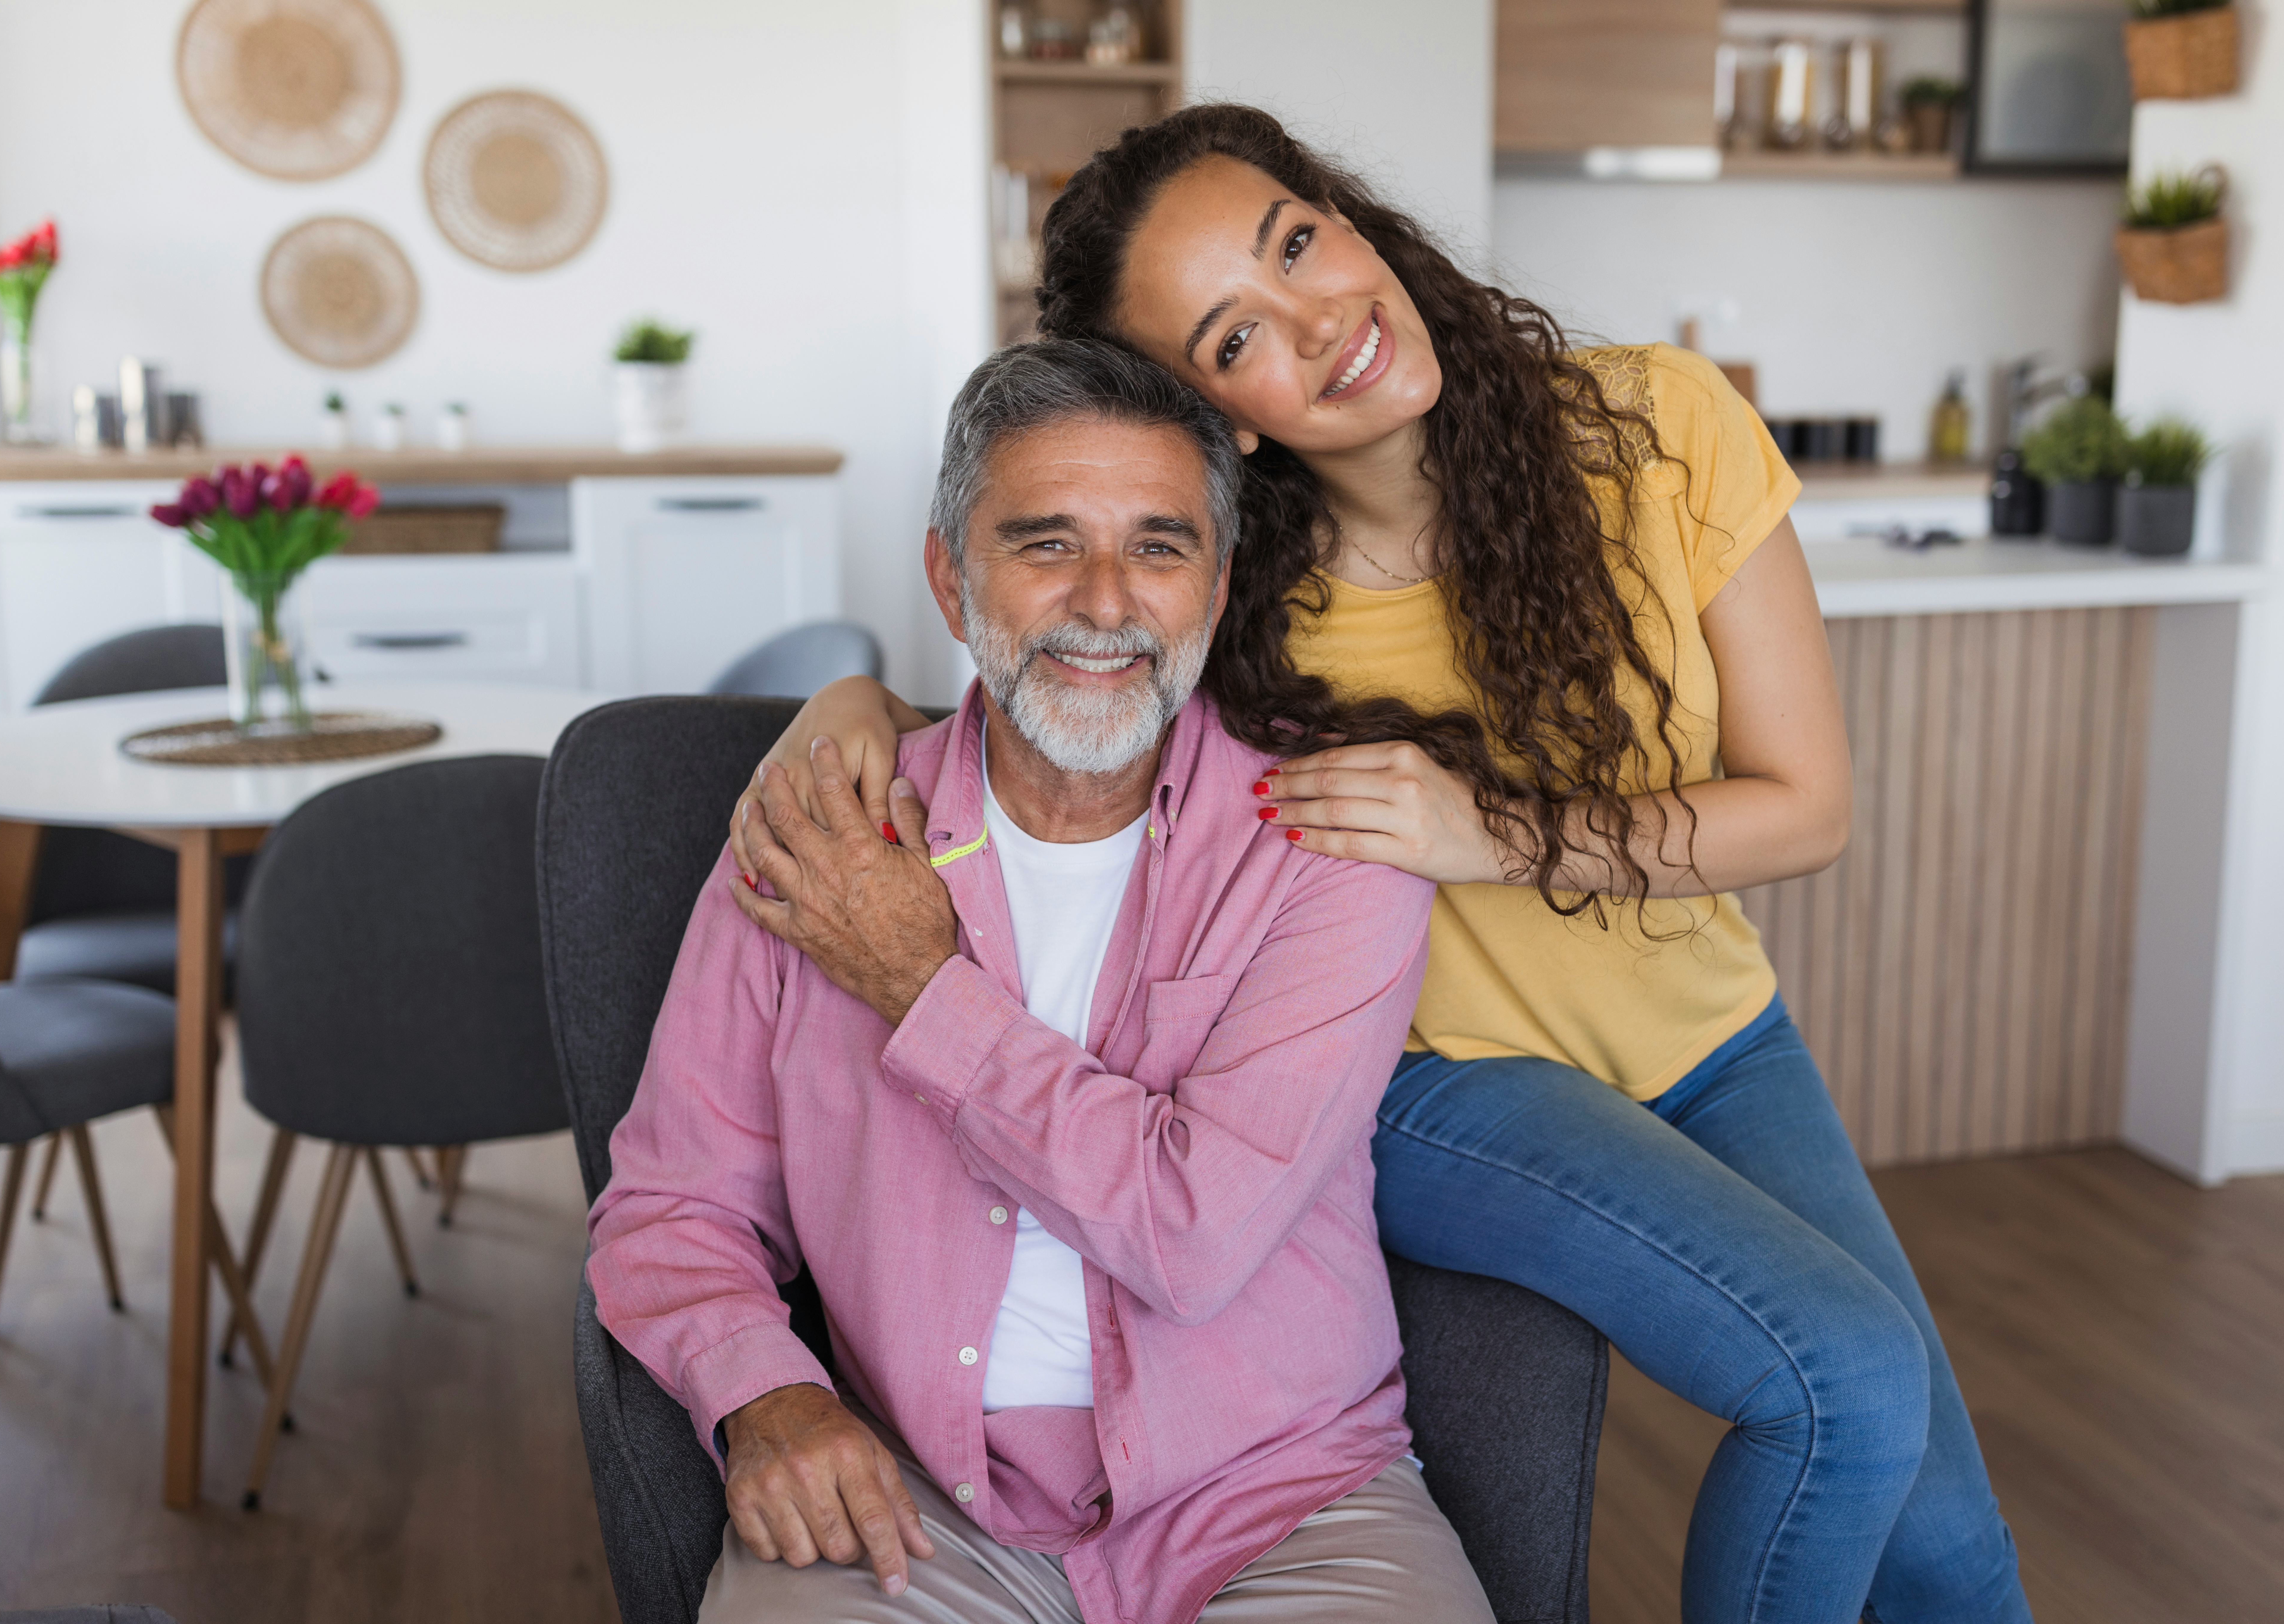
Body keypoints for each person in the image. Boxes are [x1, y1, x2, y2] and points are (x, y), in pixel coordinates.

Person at [730, 106, 2030, 1624]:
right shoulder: (1238, 604)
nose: (1322, 320)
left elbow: (1803, 808)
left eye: (1299, 243)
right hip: (1439, 1081)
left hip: (1712, 1040)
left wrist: (1489, 831)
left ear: (1346, 214)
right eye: (1238, 338)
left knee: (1949, 1545)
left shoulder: (1658, 424)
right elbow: (1046, 670)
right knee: (1848, 1379)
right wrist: (843, 705)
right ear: (1216, 420)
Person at [590, 337, 1493, 1624]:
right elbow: (673, 1201)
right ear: (950, 579)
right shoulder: (817, 830)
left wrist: (917, 980)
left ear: (1220, 584)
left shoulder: (1328, 843)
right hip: (912, 1502)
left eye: (1160, 547)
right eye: (1047, 543)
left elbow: (1191, 1235)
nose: (1108, 603)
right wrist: (766, 1396)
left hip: (1281, 1492)